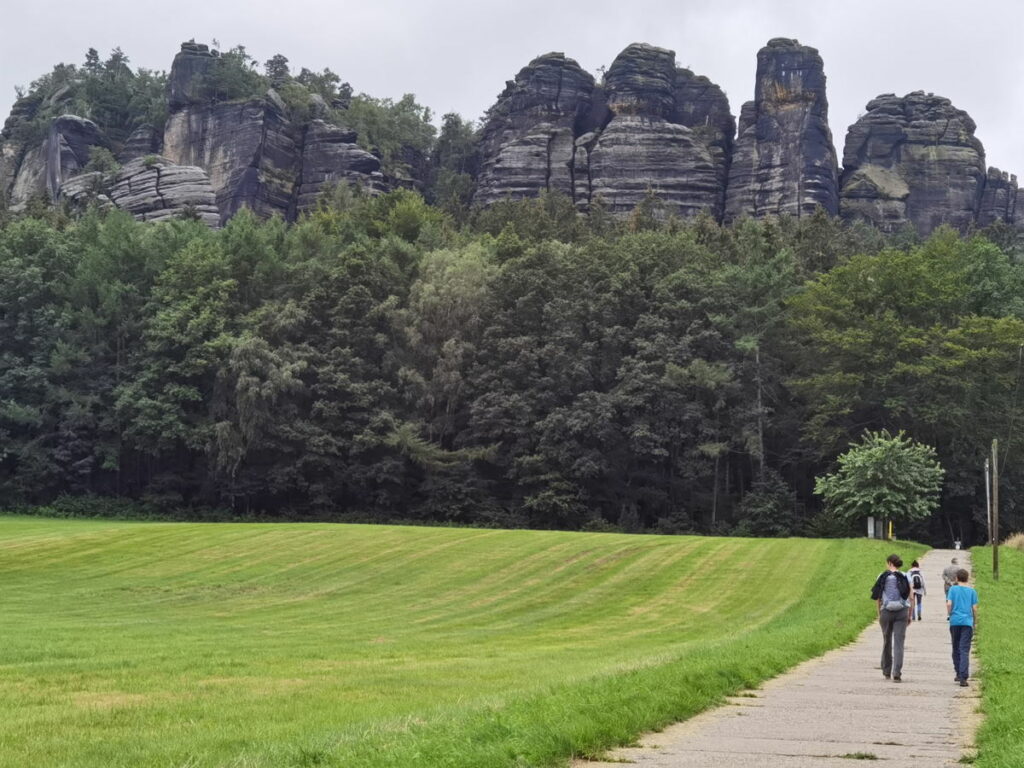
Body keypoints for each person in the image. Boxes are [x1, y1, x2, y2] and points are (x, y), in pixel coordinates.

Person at [870, 554, 914, 682]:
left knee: (887, 641)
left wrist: (879, 614)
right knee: (899, 643)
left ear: (889, 563)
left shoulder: (882, 576)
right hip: (902, 611)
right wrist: (910, 614)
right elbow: (911, 597)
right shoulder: (906, 576)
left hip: (886, 611)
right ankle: (897, 672)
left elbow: (877, 597)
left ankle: (886, 670)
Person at [946, 569, 979, 687]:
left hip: (955, 622)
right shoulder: (972, 591)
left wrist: (950, 614)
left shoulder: (952, 589)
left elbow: (949, 603)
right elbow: (974, 608)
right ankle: (963, 677)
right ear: (967, 578)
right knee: (964, 649)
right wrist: (975, 621)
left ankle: (958, 673)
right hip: (967, 622)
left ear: (956, 578)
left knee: (955, 647)